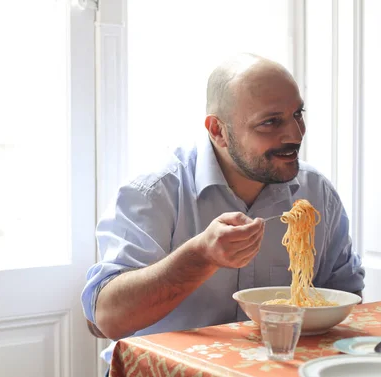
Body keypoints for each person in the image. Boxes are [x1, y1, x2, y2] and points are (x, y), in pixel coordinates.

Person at [81, 53, 365, 370]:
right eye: (271, 122)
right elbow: (106, 319)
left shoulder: (317, 194)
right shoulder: (155, 193)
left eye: (297, 114)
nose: (295, 134)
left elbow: (345, 296)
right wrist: (200, 257)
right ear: (218, 131)